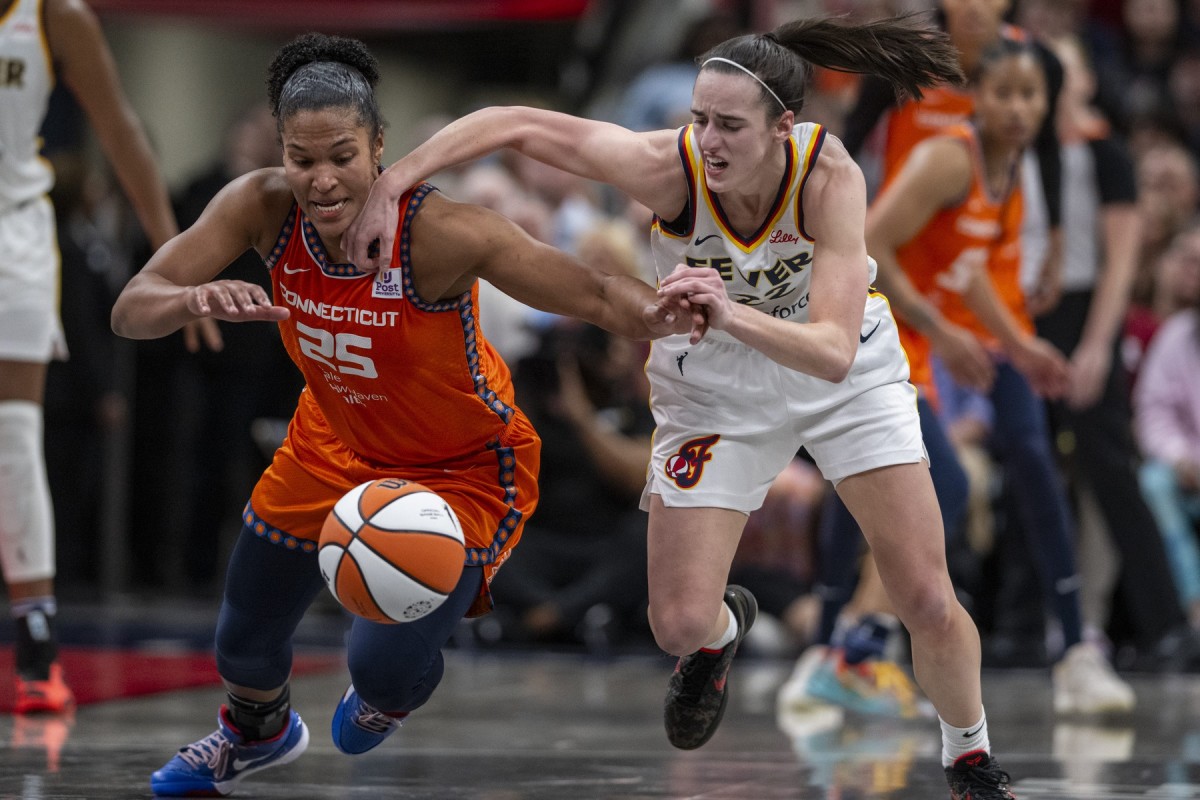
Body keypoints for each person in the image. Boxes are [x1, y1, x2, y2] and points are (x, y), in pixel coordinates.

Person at [350, 14, 1024, 798]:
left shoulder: (829, 176)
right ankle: (720, 637)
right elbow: (517, 122)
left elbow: (834, 348)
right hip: (713, 380)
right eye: (699, 118)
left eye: (730, 125)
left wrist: (732, 310)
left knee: (924, 592)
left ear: (784, 127)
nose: (708, 140)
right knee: (674, 622)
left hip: (838, 367)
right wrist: (395, 181)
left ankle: (969, 756)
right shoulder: (667, 167)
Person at [109, 33, 685, 798]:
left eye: (341, 156)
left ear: (380, 145)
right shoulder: (258, 207)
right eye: (300, 158)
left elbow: (594, 294)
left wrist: (679, 317)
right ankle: (258, 735)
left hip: (460, 469)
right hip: (331, 444)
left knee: (380, 669)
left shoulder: (441, 234)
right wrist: (189, 298)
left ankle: (388, 698)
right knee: (242, 644)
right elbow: (129, 308)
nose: (320, 180)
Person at [863, 35, 1134, 713]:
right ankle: (851, 642)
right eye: (1004, 93)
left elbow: (971, 270)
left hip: (958, 333)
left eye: (1029, 95)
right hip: (898, 334)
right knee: (927, 487)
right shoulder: (949, 158)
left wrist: (1023, 344)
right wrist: (943, 329)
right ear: (977, 95)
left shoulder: (1011, 165)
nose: (1017, 107)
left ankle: (1074, 648)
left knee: (1019, 468)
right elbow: (870, 244)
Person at [0, 0, 182, 715]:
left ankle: (37, 639)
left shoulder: (53, 14)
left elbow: (122, 131)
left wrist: (174, 257)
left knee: (13, 437)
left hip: (13, 236)